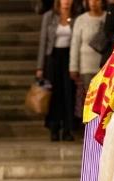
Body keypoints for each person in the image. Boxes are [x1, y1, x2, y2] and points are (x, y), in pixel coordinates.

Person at [36, 0, 78, 141]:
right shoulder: (49, 16)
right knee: (54, 94)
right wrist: (40, 66)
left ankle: (67, 129)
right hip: (53, 58)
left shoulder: (76, 17)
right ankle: (54, 128)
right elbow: (43, 41)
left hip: (69, 57)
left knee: (68, 93)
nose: (66, 2)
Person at [69, 0, 106, 116]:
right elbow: (75, 44)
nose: (93, 3)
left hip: (104, 66)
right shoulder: (81, 20)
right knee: (89, 101)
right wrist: (73, 67)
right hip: (86, 67)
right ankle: (89, 131)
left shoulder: (107, 17)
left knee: (103, 101)